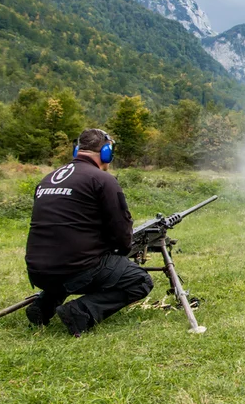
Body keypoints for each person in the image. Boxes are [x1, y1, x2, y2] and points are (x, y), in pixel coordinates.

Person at [24, 128, 153, 336]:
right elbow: (121, 232)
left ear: (78, 150)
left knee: (70, 259)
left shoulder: (48, 179)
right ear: (106, 153)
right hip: (73, 270)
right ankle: (79, 313)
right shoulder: (103, 180)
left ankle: (43, 306)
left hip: (38, 270)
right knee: (139, 281)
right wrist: (121, 253)